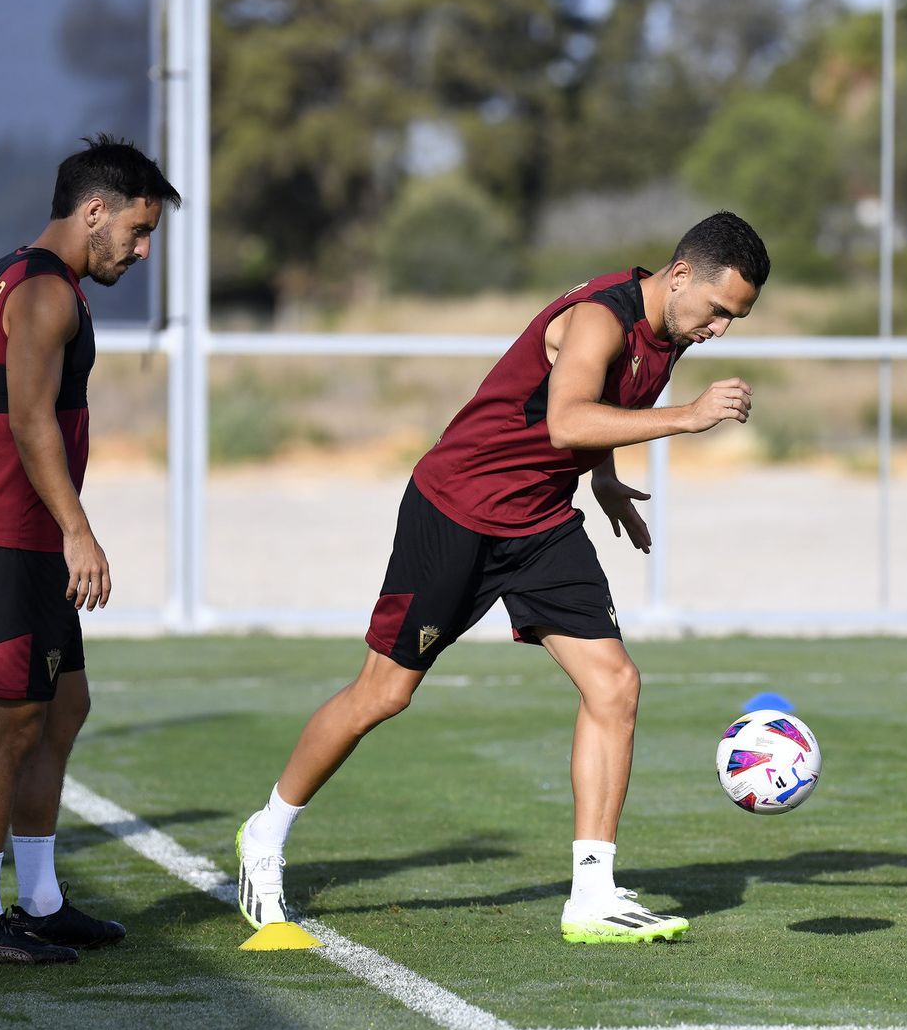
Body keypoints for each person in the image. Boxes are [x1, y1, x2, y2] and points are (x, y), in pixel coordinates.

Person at [236, 211, 769, 943]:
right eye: (718, 311)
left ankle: (592, 891)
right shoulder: (598, 319)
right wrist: (688, 418)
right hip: (457, 510)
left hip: (541, 523)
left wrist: (606, 481)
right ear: (680, 275)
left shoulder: (667, 329)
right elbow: (567, 420)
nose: (720, 330)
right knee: (384, 693)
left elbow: (601, 413)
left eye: (734, 320)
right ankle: (265, 837)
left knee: (615, 683)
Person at [0, 135, 179, 963]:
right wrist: (72, 527)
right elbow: (29, 417)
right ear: (94, 211)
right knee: (7, 725)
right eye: (138, 231)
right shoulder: (46, 293)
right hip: (13, 540)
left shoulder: (9, 272)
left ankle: (39, 898)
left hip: (17, 529)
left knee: (62, 707)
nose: (142, 249)